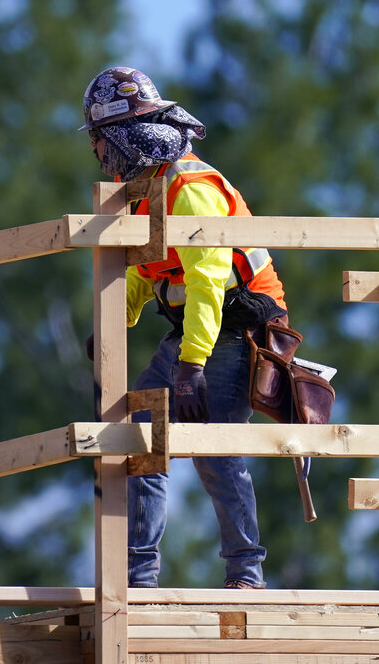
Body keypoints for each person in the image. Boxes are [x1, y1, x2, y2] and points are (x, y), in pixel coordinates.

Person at [81, 67, 289, 590]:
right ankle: (138, 578)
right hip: (197, 331)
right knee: (141, 440)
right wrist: (113, 324)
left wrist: (192, 368)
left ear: (127, 137)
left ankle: (247, 572)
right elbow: (141, 268)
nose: (100, 156)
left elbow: (207, 286)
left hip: (236, 331)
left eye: (102, 143)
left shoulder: (190, 190)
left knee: (215, 445)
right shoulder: (147, 191)